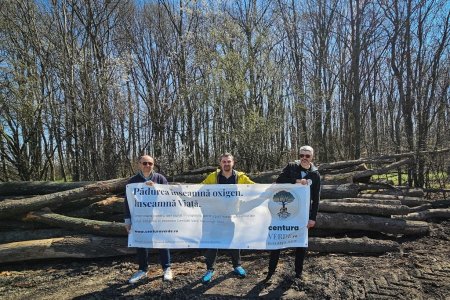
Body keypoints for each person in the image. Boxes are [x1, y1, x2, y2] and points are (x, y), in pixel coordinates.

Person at [266, 145, 321, 281]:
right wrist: (297, 181)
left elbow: (316, 198)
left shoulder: (315, 174)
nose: (304, 158)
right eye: (301, 155)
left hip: (302, 214)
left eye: (307, 156)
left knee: (301, 244)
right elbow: (279, 181)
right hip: (282, 212)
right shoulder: (291, 166)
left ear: (312, 157)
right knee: (277, 241)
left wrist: (312, 218)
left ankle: (298, 273)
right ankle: (271, 271)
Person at [200, 153, 255, 284]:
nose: (226, 164)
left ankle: (237, 266)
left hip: (233, 215)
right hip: (215, 215)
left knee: (234, 242)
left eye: (228, 161)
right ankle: (209, 269)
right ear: (220, 163)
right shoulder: (213, 177)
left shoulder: (240, 177)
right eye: (224, 162)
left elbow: (255, 187)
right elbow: (199, 188)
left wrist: (274, 187)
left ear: (233, 163)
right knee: (212, 243)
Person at [124, 155, 173, 283]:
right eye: (144, 163)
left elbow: (168, 197)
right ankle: (142, 270)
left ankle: (167, 268)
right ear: (139, 164)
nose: (147, 166)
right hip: (140, 218)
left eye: (150, 163)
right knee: (141, 243)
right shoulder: (132, 181)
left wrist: (156, 187)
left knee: (162, 242)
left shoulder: (160, 179)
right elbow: (127, 202)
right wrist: (127, 220)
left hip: (158, 217)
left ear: (153, 165)